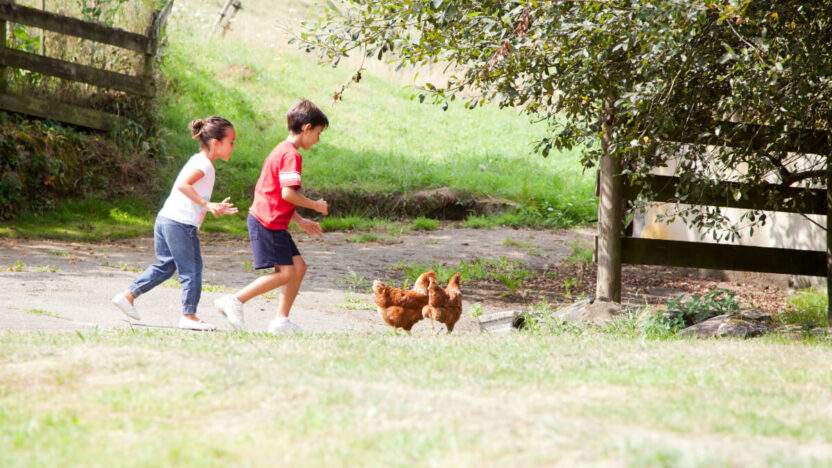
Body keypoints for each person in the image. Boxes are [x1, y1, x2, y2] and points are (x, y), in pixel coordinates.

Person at [111, 116, 239, 330]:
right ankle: (189, 316)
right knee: (192, 269)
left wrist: (213, 206)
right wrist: (207, 205)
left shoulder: (198, 160)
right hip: (180, 224)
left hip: (166, 219)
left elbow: (190, 190)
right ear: (216, 143)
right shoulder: (205, 165)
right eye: (231, 142)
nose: (233, 147)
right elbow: (183, 185)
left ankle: (128, 296)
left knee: (167, 266)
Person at [214, 99, 328, 334]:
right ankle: (234, 300)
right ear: (307, 128)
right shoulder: (291, 155)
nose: (318, 139)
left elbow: (277, 193)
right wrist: (316, 205)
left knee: (298, 267)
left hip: (270, 220)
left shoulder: (282, 149)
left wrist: (300, 220)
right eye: (318, 133)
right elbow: (288, 193)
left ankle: (281, 321)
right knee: (286, 272)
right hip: (268, 222)